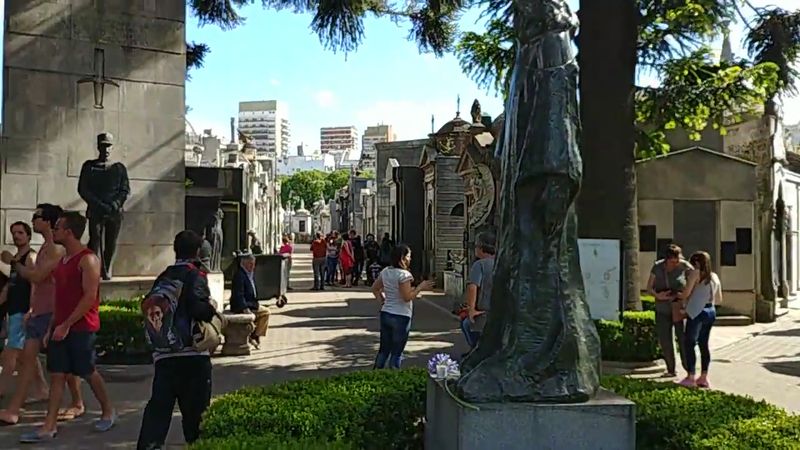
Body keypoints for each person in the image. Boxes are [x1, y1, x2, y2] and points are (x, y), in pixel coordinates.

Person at [20, 212, 116, 444]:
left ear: (69, 232)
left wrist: (67, 324)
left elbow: (89, 297)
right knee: (57, 374)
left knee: (87, 370)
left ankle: (108, 411)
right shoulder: (62, 261)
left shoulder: (88, 260)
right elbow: (59, 298)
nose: (54, 231)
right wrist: (52, 327)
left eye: (58, 227)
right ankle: (48, 425)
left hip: (82, 328)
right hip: (60, 327)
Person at [0, 205, 85, 426]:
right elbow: (37, 287)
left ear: (47, 222)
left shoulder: (56, 250)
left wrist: (14, 262)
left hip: (54, 314)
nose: (33, 220)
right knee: (28, 361)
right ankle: (13, 409)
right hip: (38, 314)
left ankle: (78, 402)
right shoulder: (47, 248)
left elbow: (37, 277)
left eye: (36, 217)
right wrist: (31, 308)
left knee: (66, 368)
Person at [137, 230, 218, 449]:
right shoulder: (195, 275)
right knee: (196, 415)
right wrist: (211, 308)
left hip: (164, 355)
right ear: (199, 251)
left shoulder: (164, 276)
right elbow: (199, 310)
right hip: (192, 356)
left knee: (159, 410)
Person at [77, 132, 130, 280]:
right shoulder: (89, 166)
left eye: (108, 146)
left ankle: (107, 270)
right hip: (96, 211)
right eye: (103, 146)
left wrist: (115, 204)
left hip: (114, 212)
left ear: (112, 148)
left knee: (111, 243)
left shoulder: (119, 168)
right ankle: (94, 269)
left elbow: (125, 190)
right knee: (95, 241)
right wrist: (98, 204)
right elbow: (83, 189)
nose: (106, 150)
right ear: (98, 147)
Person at [371, 245, 434, 369]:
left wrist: (382, 300)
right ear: (402, 258)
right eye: (408, 256)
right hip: (401, 316)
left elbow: (375, 288)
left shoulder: (386, 271)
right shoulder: (404, 275)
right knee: (397, 352)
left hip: (386, 313)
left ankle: (375, 375)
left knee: (383, 350)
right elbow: (407, 297)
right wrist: (420, 288)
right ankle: (395, 377)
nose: (410, 259)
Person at [0, 222, 36, 398]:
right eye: (14, 233)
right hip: (14, 310)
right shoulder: (16, 259)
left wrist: (31, 308)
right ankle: (43, 389)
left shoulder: (30, 257)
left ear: (28, 236)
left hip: (22, 311)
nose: (16, 236)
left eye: (20, 233)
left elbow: (35, 283)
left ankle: (2, 389)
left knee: (10, 353)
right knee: (26, 356)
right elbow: (11, 286)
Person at [646, 244, 693, 377]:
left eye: (677, 260)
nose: (675, 263)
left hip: (678, 308)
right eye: (673, 261)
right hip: (662, 308)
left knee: (683, 339)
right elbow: (649, 288)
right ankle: (671, 369)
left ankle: (689, 369)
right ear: (666, 259)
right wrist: (658, 295)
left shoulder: (685, 266)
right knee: (665, 340)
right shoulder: (658, 267)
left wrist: (685, 294)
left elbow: (695, 279)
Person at [678, 251, 722, 389]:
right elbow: (719, 299)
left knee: (689, 343)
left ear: (696, 263)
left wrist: (681, 297)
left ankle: (691, 376)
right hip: (710, 311)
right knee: (704, 344)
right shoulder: (714, 276)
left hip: (696, 312)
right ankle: (703, 377)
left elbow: (686, 292)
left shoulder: (695, 274)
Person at [462, 232, 496, 350]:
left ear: (481, 247)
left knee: (467, 325)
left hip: (483, 313)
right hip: (501, 313)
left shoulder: (479, 265)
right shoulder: (502, 263)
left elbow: (473, 286)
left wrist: (471, 309)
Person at [230, 251, 269, 349]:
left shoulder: (248, 273)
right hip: (242, 305)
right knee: (266, 312)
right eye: (250, 264)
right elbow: (239, 295)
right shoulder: (240, 275)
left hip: (251, 303)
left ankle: (255, 335)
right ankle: (254, 336)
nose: (253, 266)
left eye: (254, 264)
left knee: (265, 312)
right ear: (243, 264)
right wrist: (245, 308)